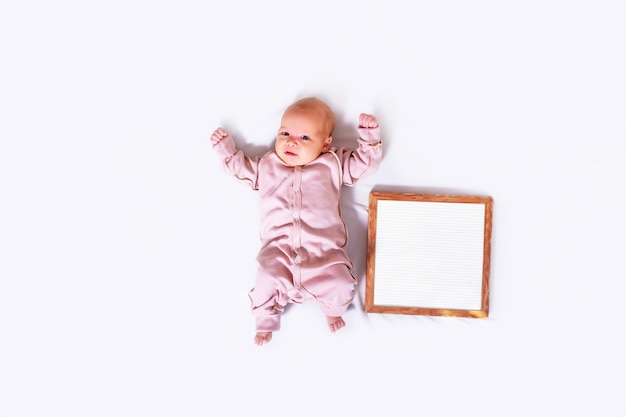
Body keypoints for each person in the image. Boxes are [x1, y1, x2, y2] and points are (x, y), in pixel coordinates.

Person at [211, 97, 382, 346]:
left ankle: (333, 311)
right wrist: (227, 151)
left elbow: (363, 166)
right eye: (286, 133)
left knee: (341, 282)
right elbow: (243, 170)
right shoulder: (268, 165)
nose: (291, 141)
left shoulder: (332, 163)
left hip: (324, 255)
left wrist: (369, 139)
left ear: (325, 144)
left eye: (304, 138)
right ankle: (266, 321)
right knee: (265, 279)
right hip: (278, 253)